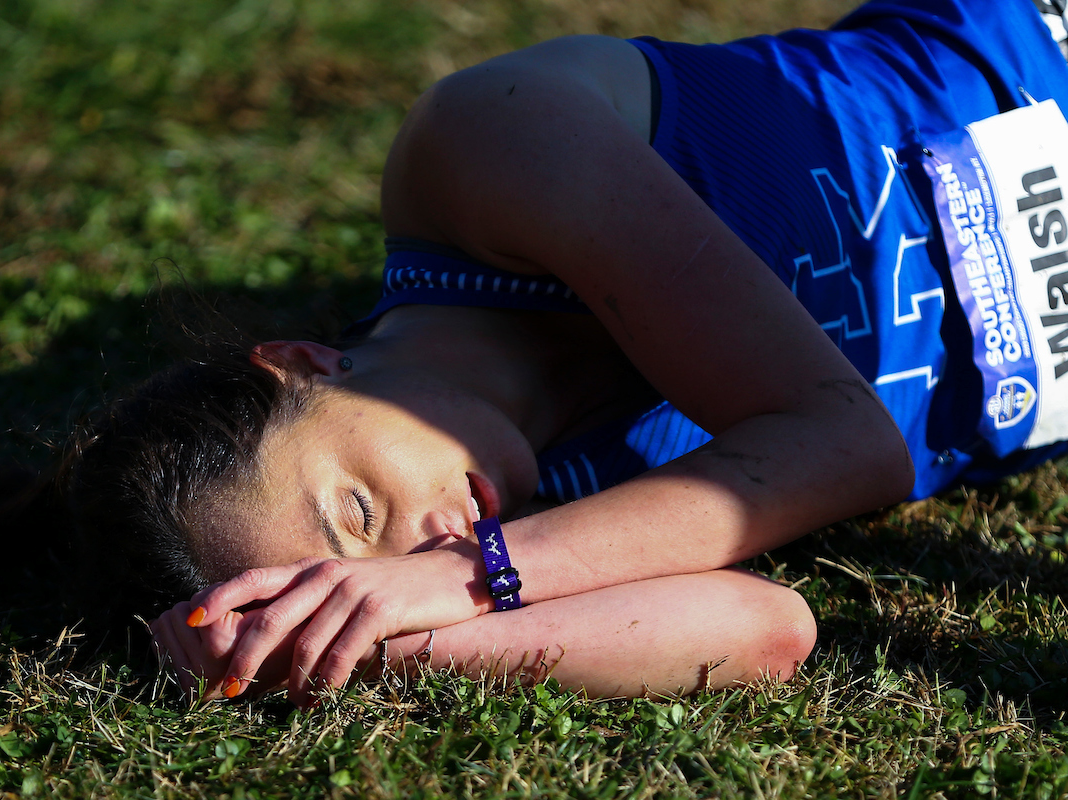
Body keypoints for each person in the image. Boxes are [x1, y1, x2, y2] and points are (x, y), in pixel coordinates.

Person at [64, 0, 1068, 707]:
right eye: (361, 586)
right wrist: (380, 642)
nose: (416, 546)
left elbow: (845, 440)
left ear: (304, 361)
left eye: (360, 512)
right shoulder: (546, 530)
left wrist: (460, 578)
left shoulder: (481, 148)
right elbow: (767, 627)